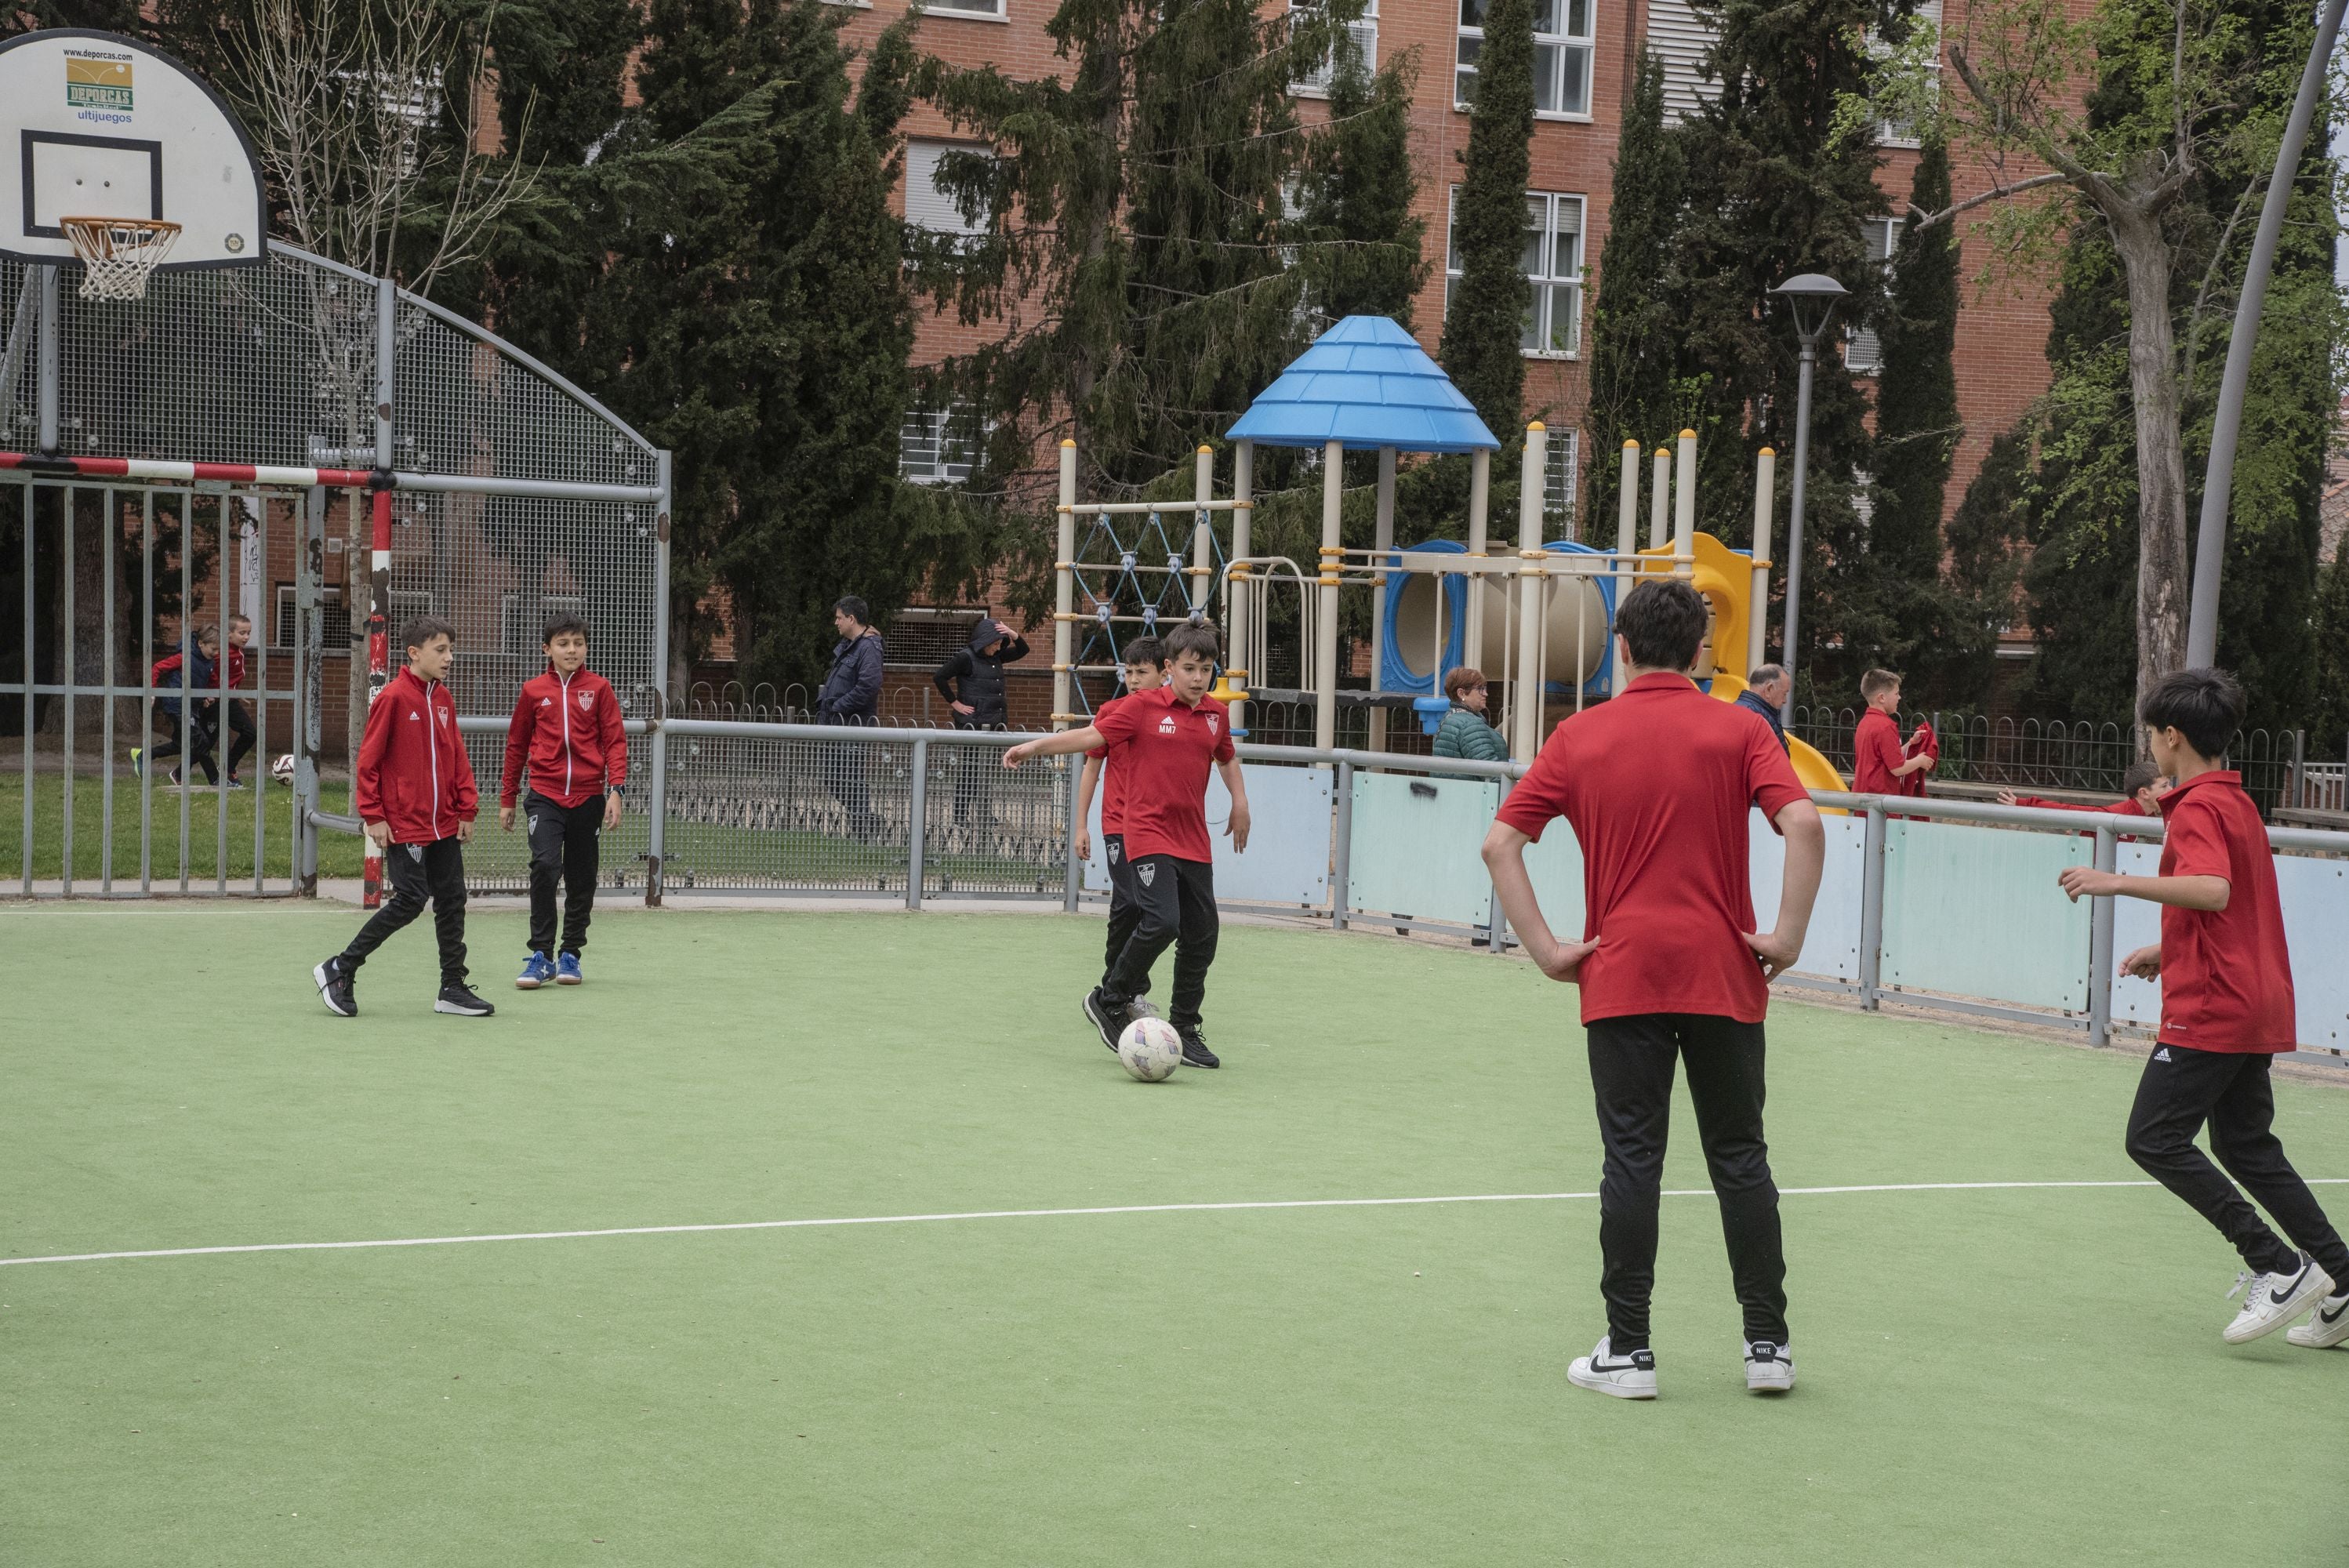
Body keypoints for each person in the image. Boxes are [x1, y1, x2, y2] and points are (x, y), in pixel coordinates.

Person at [1480, 579, 1825, 1401]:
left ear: (1621, 650)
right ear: (1701, 651)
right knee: (1740, 1156)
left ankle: (1628, 1351)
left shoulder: (1578, 734)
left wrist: (1546, 950)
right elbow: (1805, 824)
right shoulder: (1741, 727)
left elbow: (1500, 844)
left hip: (1621, 970)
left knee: (1631, 1156)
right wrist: (1786, 937)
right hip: (1723, 968)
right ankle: (1766, 1345)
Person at [2057, 668, 2349, 1346]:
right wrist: (2169, 946)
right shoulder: (2236, 801)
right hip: (2253, 998)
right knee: (2247, 1147)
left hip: (2214, 1009)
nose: (2151, 749)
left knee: (2153, 1138)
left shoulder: (2194, 808)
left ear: (2170, 737)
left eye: (2151, 737)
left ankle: (2277, 1265)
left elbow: (2214, 889)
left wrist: (2115, 880)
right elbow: (2227, 901)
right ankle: (2340, 1277)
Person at [1003, 619, 1249, 1070]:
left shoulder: (1215, 714)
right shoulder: (1140, 707)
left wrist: (1240, 801)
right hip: (1147, 832)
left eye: (1207, 669)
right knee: (1162, 921)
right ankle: (1109, 997)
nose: (1199, 678)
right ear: (1170, 668)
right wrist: (1035, 747)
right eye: (1190, 668)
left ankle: (1186, 1027)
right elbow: (1090, 738)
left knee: (1203, 934)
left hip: (1193, 839)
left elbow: (1227, 757)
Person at [311, 616, 494, 1019]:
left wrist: (467, 807)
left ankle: (453, 987)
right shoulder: (393, 698)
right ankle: (340, 968)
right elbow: (368, 762)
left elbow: (456, 757)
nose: (450, 657)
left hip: (444, 822)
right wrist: (373, 815)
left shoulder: (443, 699)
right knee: (411, 899)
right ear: (414, 653)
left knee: (452, 900)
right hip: (405, 823)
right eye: (440, 650)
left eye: (451, 649)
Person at [499, 615, 629, 989]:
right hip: (544, 796)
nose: (571, 650)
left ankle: (570, 952)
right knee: (544, 865)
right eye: (563, 643)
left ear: (586, 648)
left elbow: (615, 742)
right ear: (548, 649)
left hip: (588, 797)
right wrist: (508, 797)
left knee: (582, 876)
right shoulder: (533, 691)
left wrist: (616, 789)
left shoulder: (600, 689)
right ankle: (540, 956)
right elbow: (516, 746)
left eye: (578, 643)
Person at [1075, 638, 1168, 1015]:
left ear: (1164, 673)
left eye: (1141, 672)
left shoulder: (1170, 717)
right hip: (1118, 826)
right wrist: (1081, 825)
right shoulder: (1111, 712)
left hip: (1155, 828)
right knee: (1129, 902)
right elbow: (1092, 769)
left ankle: (1122, 988)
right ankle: (1121, 990)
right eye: (1128, 672)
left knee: (1146, 910)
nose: (1132, 680)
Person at [934, 617, 1032, 829]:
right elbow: (940, 677)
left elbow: (1023, 650)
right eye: (995, 643)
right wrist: (956, 704)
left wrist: (1012, 633)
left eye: (1000, 643)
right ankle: (960, 815)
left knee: (985, 771)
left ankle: (985, 814)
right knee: (970, 770)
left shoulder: (996, 657)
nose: (998, 647)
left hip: (992, 720)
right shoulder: (966, 658)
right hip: (972, 723)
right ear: (984, 641)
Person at [816, 596, 885, 840]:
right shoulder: (851, 645)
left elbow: (869, 685)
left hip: (851, 724)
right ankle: (866, 822)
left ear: (851, 619)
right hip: (836, 723)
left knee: (850, 777)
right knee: (834, 778)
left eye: (839, 617)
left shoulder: (868, 647)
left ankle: (864, 828)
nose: (836, 622)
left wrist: (838, 706)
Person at [136, 624, 223, 787]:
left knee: (181, 745)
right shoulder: (185, 657)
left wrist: (208, 696)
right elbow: (156, 668)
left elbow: (210, 682)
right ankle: (215, 779)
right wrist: (152, 691)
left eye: (219, 650)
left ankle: (145, 755)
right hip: (177, 704)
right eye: (213, 649)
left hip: (192, 706)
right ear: (201, 644)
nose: (216, 654)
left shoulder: (210, 662)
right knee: (201, 741)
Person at [2000, 760, 2170, 821]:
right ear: (2144, 793)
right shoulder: (2117, 815)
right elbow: (2070, 811)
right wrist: (2023, 803)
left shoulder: (2150, 815)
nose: (2171, 789)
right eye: (2164, 786)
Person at [1851, 669, 1932, 796]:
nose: (1899, 698)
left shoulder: (1864, 723)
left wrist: (1910, 744)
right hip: (1880, 801)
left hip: (1862, 796)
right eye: (1896, 694)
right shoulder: (1886, 726)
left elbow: (1886, 758)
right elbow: (1897, 768)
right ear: (1882, 698)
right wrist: (1920, 761)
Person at [1432, 667, 1508, 761]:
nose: (1486, 694)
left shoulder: (1450, 718)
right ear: (1461, 693)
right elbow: (1488, 768)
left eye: (1485, 688)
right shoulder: (1469, 724)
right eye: (1480, 689)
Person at [220, 613, 258, 787]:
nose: (246, 637)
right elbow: (213, 676)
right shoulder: (222, 653)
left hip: (229, 698)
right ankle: (226, 770)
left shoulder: (237, 651)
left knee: (250, 733)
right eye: (242, 633)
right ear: (229, 633)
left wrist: (236, 691)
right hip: (218, 700)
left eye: (248, 633)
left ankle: (227, 769)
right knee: (202, 740)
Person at [1734, 664, 1790, 750]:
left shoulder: (1740, 710)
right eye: (1784, 694)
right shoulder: (1756, 718)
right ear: (1769, 689)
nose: (1785, 700)